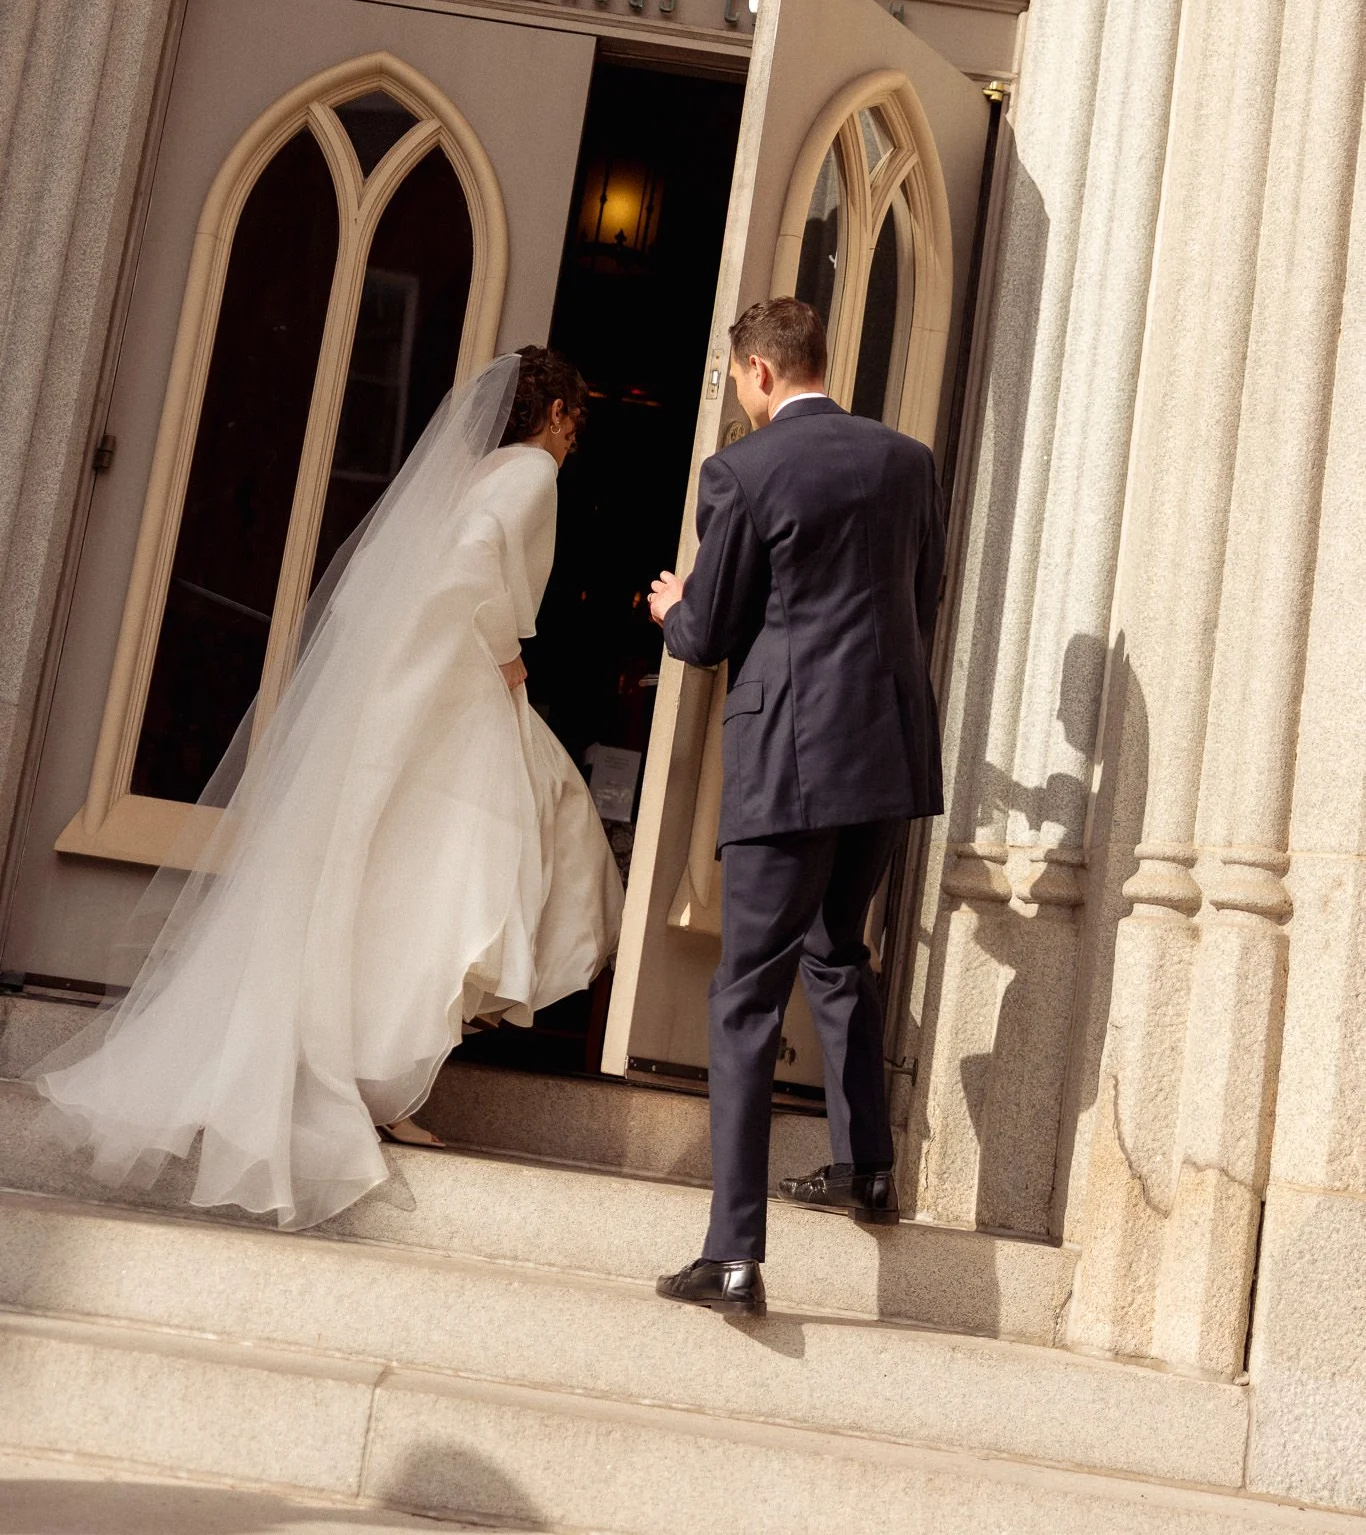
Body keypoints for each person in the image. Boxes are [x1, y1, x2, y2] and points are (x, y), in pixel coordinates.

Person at [32, 348, 623, 1230]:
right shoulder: (532, 469)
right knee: (471, 868)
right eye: (576, 417)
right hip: (458, 694)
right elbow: (469, 566)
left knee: (402, 872)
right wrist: (503, 653)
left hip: (421, 693)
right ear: (558, 415)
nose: (576, 437)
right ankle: (377, 1075)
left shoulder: (479, 468)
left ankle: (362, 1066)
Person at [648, 298, 945, 1317]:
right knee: (837, 952)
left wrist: (670, 607)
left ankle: (733, 1253)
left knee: (744, 995)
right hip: (886, 755)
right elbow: (925, 596)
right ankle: (867, 1166)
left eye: (738, 380)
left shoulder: (742, 470)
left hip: (788, 758)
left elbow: (709, 628)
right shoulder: (908, 462)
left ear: (761, 374)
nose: (740, 394)